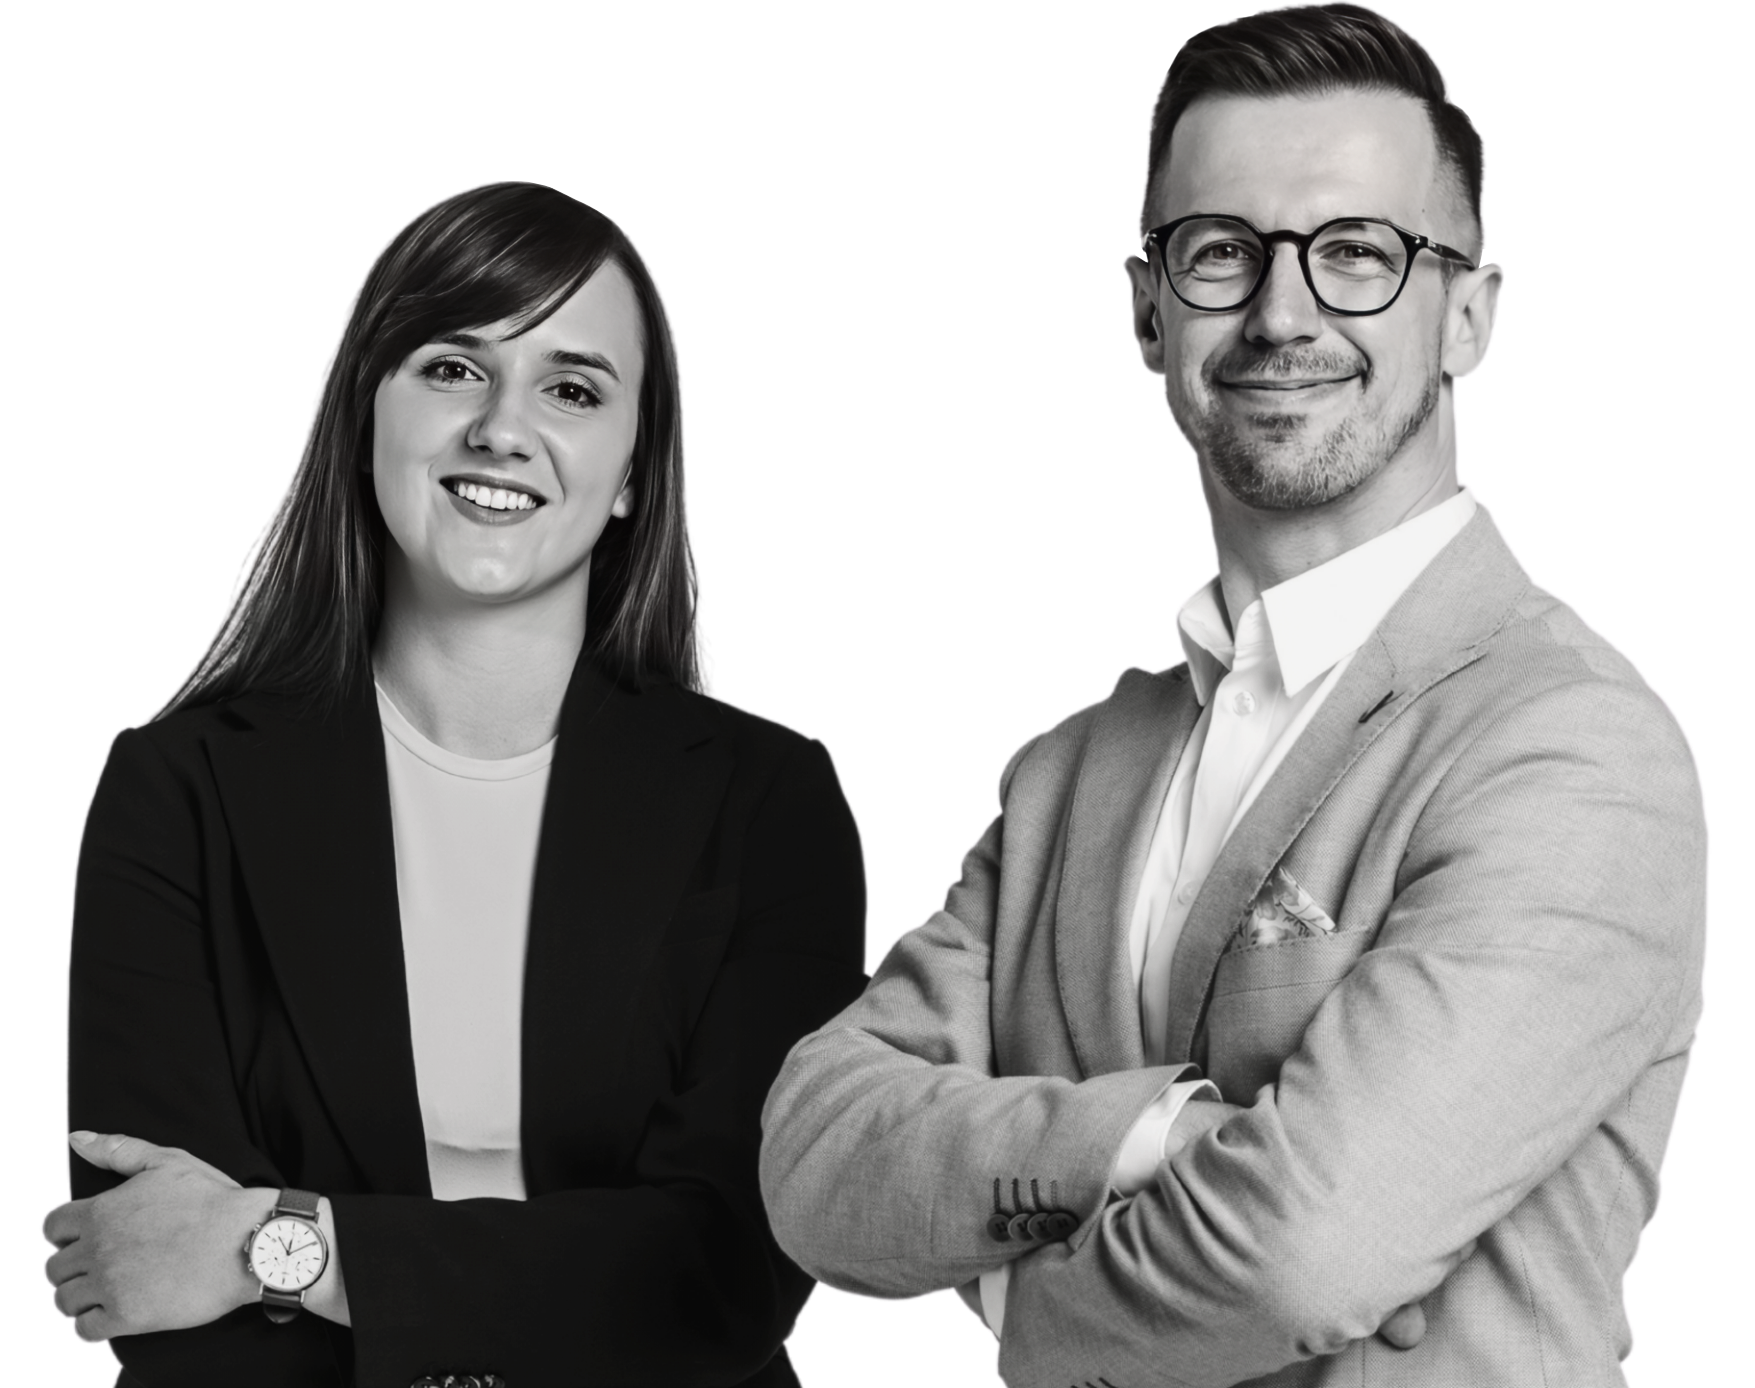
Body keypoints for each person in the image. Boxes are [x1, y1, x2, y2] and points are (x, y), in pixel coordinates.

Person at [757, 7, 1709, 1387]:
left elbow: (1305, 1252)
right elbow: (815, 1158)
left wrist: (1014, 1297)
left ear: (1467, 317)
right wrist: (1153, 1138)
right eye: (1220, 252)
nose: (1280, 313)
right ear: (1149, 316)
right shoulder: (1070, 769)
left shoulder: (1569, 745)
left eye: (1356, 253)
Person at [44, 167, 870, 1388]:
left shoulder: (769, 802)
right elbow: (147, 1266)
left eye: (573, 389)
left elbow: (724, 1268)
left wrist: (288, 1247)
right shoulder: (176, 789)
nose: (501, 427)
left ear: (633, 472)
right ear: (365, 411)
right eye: (451, 367)